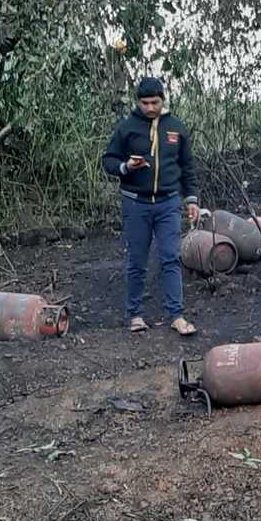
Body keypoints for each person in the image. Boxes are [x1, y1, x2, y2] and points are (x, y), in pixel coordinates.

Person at [102, 76, 199, 334]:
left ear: (163, 100)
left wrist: (191, 200)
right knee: (137, 260)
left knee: (171, 258)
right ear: (138, 102)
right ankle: (135, 315)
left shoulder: (176, 128)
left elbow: (187, 166)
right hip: (136, 204)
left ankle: (176, 315)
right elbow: (109, 160)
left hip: (168, 203)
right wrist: (125, 167)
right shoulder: (127, 127)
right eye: (144, 103)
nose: (149, 108)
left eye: (154, 102)